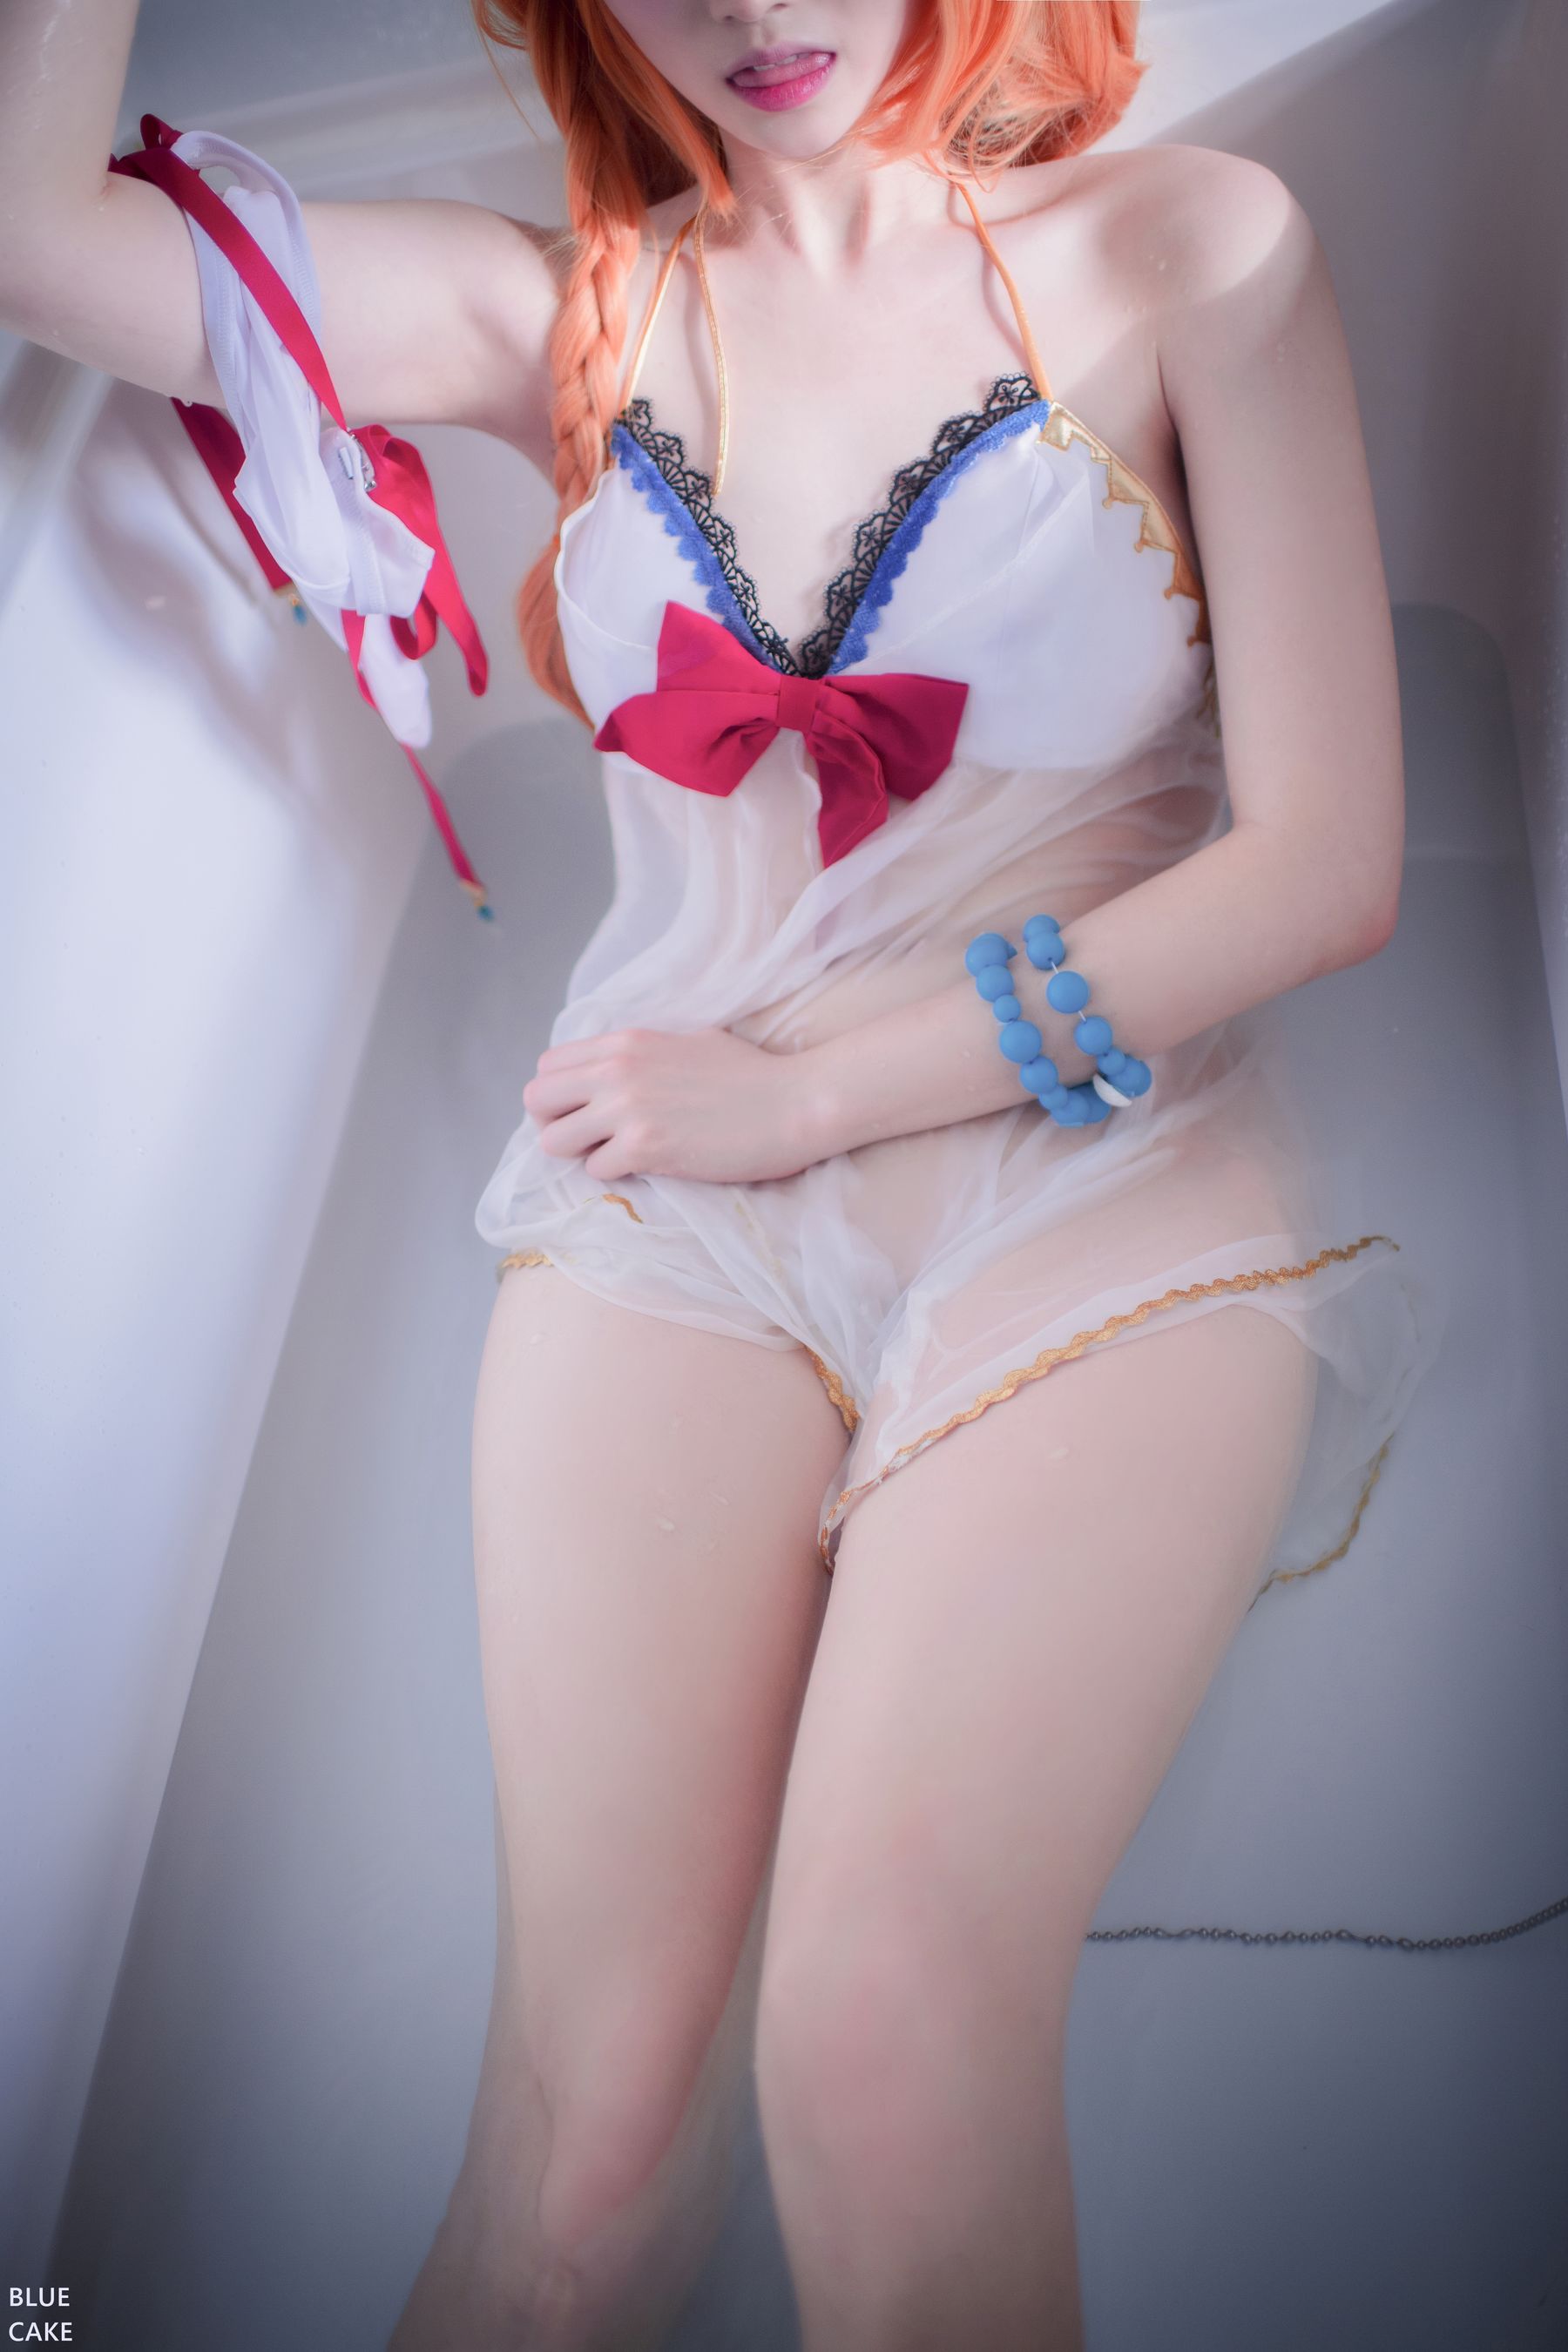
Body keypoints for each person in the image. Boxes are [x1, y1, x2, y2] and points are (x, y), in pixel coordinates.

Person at [0, 2, 1434, 2344]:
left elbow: (1325, 865)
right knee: (582, 2160)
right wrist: (744, 1118)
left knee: (877, 2047)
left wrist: (815, 1094)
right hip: (670, 1173)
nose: (761, 12)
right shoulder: (551, 314)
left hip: (1100, 1154)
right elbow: (34, 239)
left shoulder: (1199, 246)